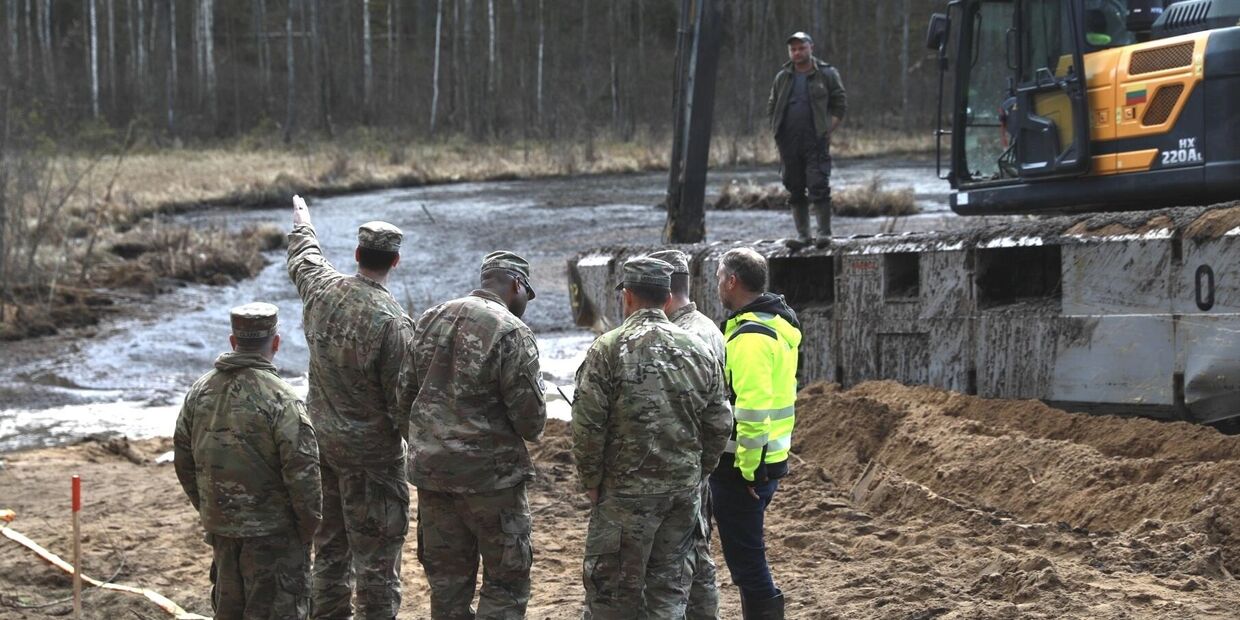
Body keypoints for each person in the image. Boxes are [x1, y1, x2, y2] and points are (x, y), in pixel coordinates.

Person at [571, 257, 733, 619]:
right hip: (681, 492)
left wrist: (591, 481)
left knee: (612, 597)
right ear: (666, 299)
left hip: (624, 494)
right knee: (667, 594)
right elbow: (720, 421)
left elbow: (586, 424)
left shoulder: (607, 349)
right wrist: (697, 470)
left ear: (627, 297)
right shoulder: (699, 349)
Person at [398, 251, 547, 619]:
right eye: (528, 294)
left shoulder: (431, 318)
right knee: (506, 583)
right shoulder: (511, 331)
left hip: (434, 479)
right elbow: (531, 422)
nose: (526, 303)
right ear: (516, 284)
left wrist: (431, 444)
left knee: (447, 586)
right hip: (492, 483)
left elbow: (403, 398)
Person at [286, 195, 414, 620]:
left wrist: (303, 222)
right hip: (373, 462)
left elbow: (304, 258)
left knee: (329, 553)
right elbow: (404, 405)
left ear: (357, 254)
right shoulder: (393, 323)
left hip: (321, 447)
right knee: (377, 564)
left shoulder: (321, 292)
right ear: (395, 262)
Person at [174, 302, 322, 619]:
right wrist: (306, 529)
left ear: (233, 341)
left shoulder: (199, 392)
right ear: (277, 343)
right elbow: (304, 474)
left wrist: (211, 508)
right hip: (274, 536)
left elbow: (183, 459)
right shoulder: (283, 399)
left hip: (222, 530)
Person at [712, 248, 802, 619]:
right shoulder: (776, 323)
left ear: (732, 281)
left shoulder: (750, 337)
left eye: (719, 276)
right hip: (770, 459)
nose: (717, 283)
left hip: (744, 468)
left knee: (747, 562)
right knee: (747, 557)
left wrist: (750, 471)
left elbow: (751, 411)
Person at [646, 249, 724, 620]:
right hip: (695, 465)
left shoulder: (682, 335)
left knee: (678, 566)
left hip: (680, 466)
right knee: (698, 556)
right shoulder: (708, 327)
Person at [768, 31, 847, 249]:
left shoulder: (827, 73)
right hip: (788, 141)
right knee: (794, 187)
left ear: (811, 47)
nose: (797, 52)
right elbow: (772, 104)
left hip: (816, 140)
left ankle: (824, 234)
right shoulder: (782, 76)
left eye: (801, 47)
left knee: (818, 184)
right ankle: (803, 236)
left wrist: (827, 129)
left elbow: (840, 103)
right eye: (793, 49)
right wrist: (775, 129)